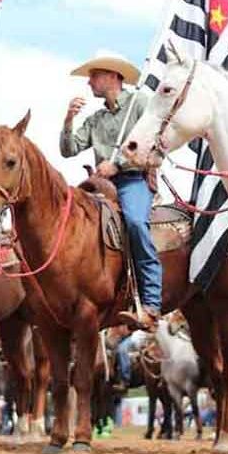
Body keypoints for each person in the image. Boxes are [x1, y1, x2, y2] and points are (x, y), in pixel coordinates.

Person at [61, 53, 161, 330]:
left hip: (132, 181)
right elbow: (68, 149)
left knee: (136, 223)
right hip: (100, 186)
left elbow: (154, 146)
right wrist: (69, 119)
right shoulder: (95, 119)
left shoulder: (139, 104)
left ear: (113, 77)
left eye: (94, 76)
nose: (90, 82)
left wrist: (117, 165)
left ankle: (151, 304)